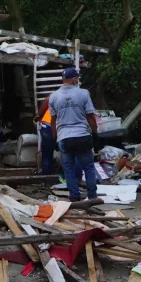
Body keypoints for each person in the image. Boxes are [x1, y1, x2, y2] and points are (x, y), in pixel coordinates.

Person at [49, 68, 98, 202]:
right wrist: (95, 132)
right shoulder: (83, 93)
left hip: (64, 137)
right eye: (78, 78)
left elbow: (52, 120)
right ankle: (92, 196)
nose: (78, 80)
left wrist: (55, 136)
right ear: (74, 79)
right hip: (82, 135)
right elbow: (90, 116)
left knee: (68, 169)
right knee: (88, 167)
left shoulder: (53, 96)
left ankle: (74, 196)